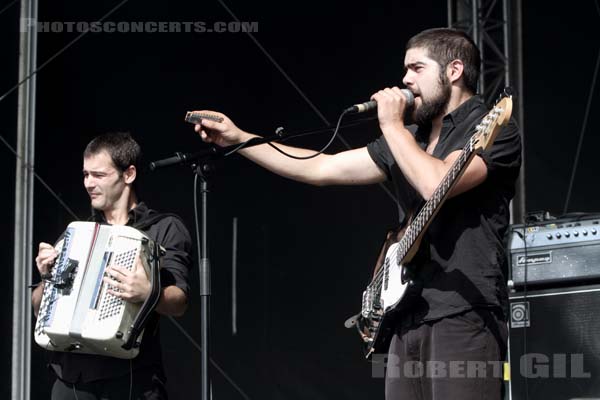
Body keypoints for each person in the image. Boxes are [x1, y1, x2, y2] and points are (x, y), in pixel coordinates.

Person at [191, 28, 521, 400]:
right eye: (405, 70)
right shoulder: (410, 135)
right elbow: (321, 168)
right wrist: (241, 138)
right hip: (403, 314)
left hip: (463, 312)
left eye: (416, 68)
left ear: (454, 70)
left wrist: (391, 125)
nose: (405, 80)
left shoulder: (495, 128)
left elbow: (435, 182)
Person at [32, 132, 192, 400]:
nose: (88, 183)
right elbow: (38, 308)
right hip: (70, 380)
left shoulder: (163, 228)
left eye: (98, 175)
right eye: (85, 175)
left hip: (129, 379)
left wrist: (148, 294)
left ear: (128, 174)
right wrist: (47, 278)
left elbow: (180, 302)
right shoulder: (78, 235)